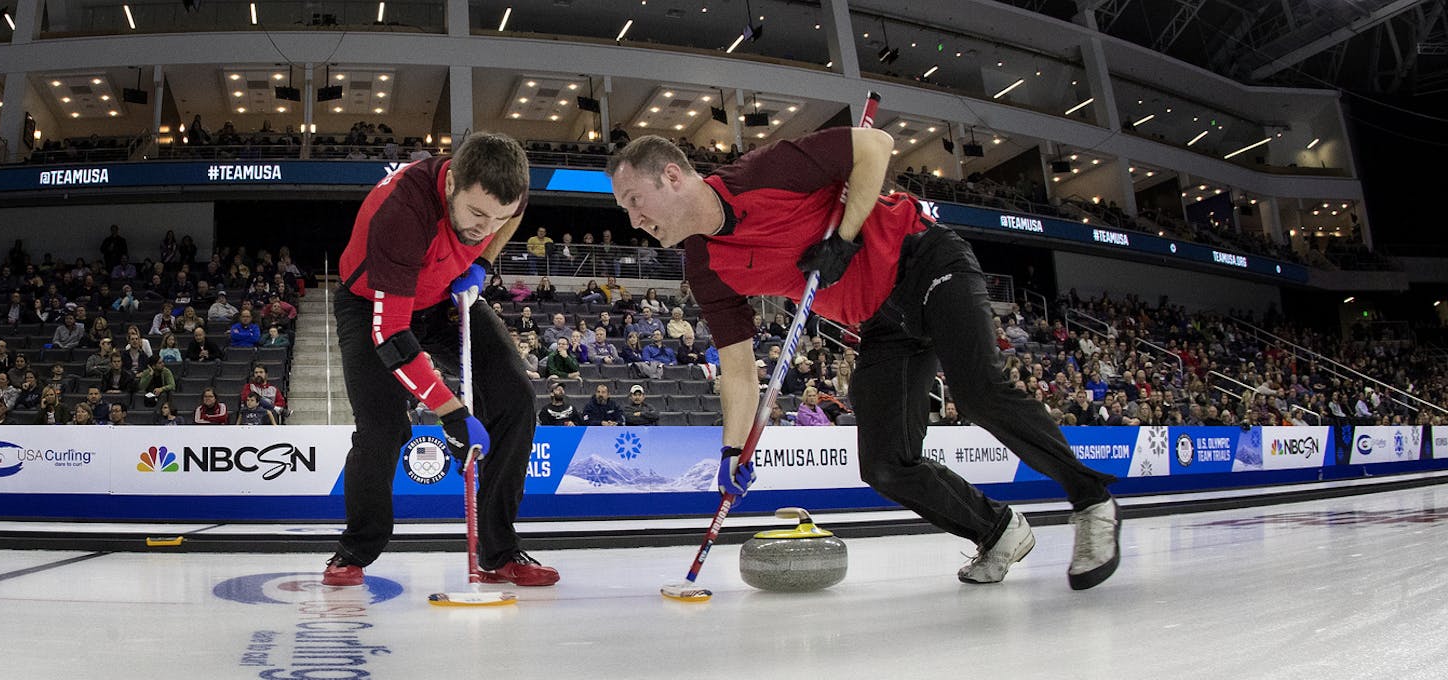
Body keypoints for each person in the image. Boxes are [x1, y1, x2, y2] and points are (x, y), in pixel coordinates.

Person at [606, 127, 1119, 589]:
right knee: (884, 463)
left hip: (925, 261)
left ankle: (1091, 499)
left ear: (672, 176)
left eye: (634, 200)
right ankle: (999, 530)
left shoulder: (763, 172)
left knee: (977, 392)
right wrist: (732, 452)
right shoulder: (704, 267)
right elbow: (738, 367)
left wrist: (845, 239)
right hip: (880, 323)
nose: (634, 219)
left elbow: (875, 146)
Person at [322, 132, 557, 589]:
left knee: (515, 399)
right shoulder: (402, 214)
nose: (485, 226)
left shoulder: (506, 195)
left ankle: (499, 551)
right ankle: (353, 551)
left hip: (445, 296)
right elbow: (390, 334)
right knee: (384, 428)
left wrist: (483, 263)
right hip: (372, 302)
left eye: (497, 217)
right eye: (476, 214)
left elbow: (512, 217)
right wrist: (451, 414)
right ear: (451, 185)